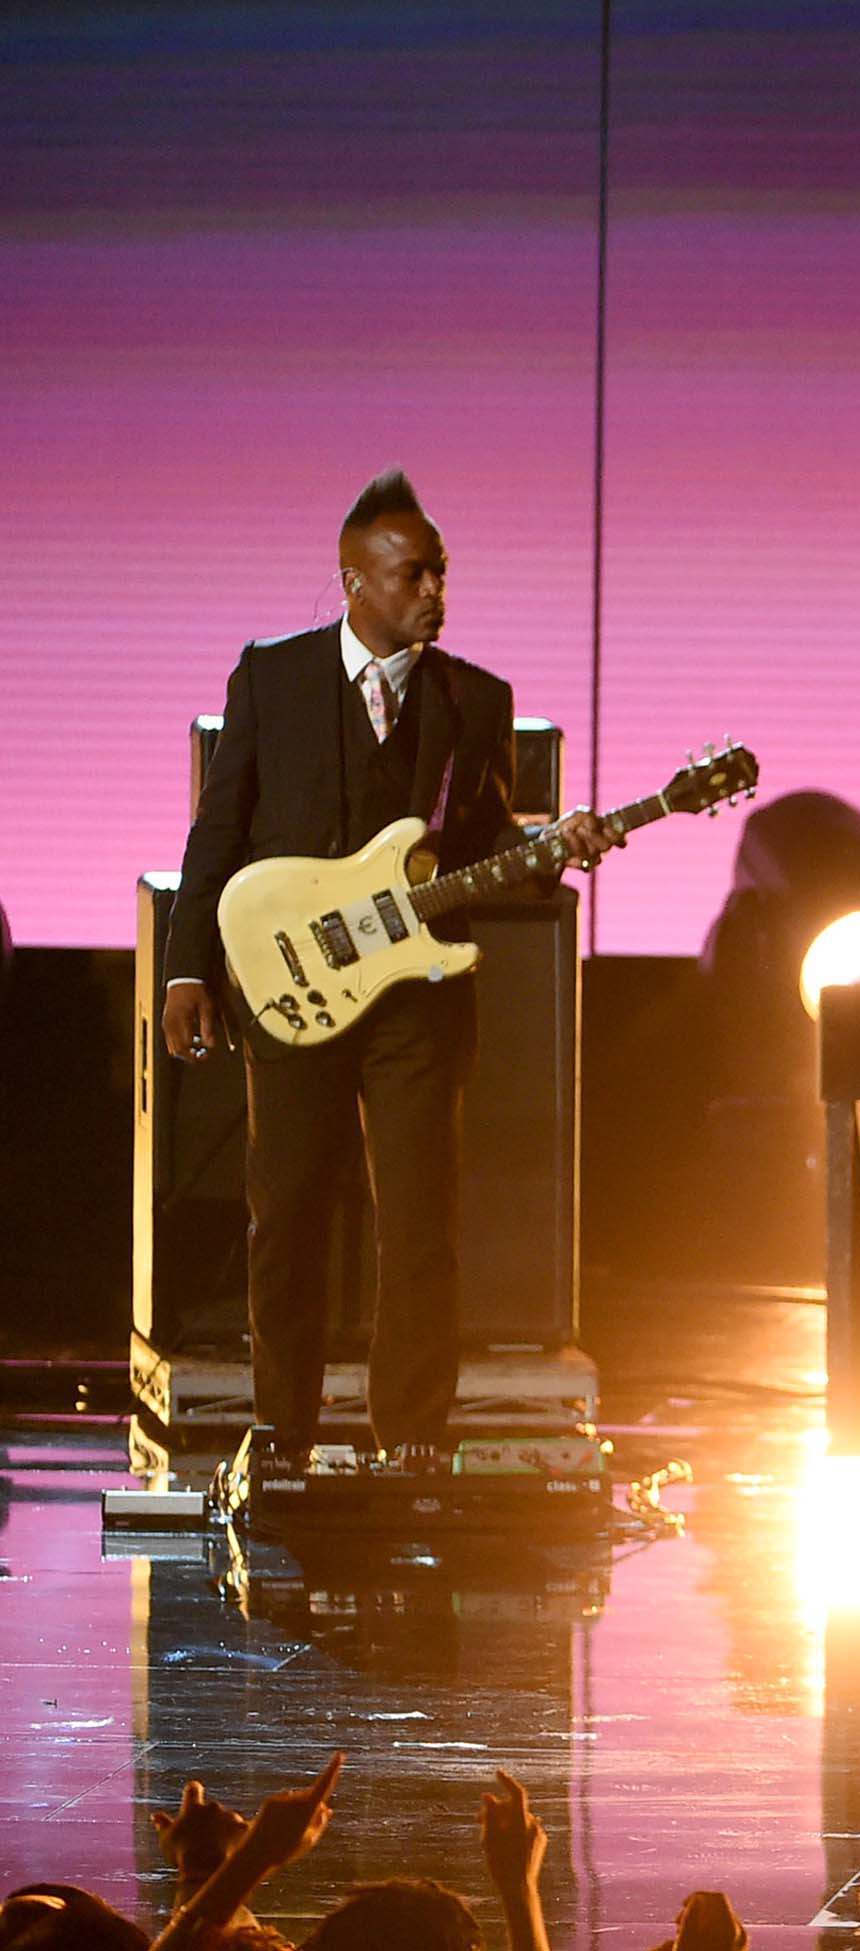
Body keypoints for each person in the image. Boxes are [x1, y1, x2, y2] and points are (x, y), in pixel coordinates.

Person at [162, 469, 619, 1473]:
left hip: (415, 996)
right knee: (286, 1217)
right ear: (353, 581)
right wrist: (184, 968)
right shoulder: (270, 679)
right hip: (290, 985)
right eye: (411, 574)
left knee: (419, 1225)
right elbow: (218, 831)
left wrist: (552, 847)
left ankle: (411, 1445)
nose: (433, 593)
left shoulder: (473, 700)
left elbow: (483, 837)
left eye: (440, 574)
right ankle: (280, 1438)